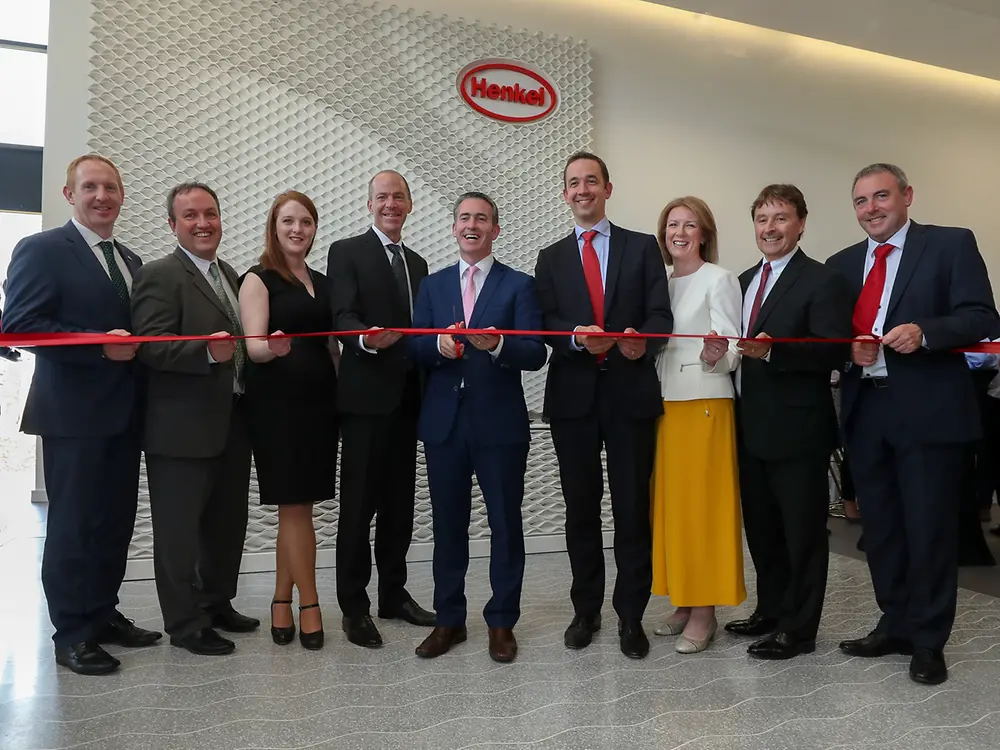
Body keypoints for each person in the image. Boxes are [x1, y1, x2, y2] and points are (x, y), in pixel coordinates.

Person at [827, 163, 999, 684]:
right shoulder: (842, 264)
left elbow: (982, 317)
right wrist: (846, 351)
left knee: (929, 528)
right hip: (866, 411)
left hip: (928, 411)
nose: (871, 209)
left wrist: (926, 331)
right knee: (881, 530)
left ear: (907, 196)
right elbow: (832, 336)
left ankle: (928, 640)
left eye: (881, 196)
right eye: (861, 201)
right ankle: (895, 623)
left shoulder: (949, 244)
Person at [2, 154, 161, 676]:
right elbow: (20, 326)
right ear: (70, 195)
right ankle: (71, 633)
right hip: (72, 416)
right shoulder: (43, 249)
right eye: (90, 187)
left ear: (122, 195)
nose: (102, 196)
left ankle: (103, 613)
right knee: (73, 527)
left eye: (110, 187)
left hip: (124, 414)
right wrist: (97, 347)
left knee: (114, 522)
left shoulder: (130, 259)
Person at [534, 151, 673, 659]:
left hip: (630, 396)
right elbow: (545, 323)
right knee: (580, 510)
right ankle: (586, 610)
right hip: (573, 400)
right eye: (574, 183)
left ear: (607, 189)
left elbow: (660, 316)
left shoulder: (642, 247)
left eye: (591, 181)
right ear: (565, 194)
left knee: (632, 509)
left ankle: (630, 615)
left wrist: (642, 343)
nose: (583, 190)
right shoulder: (550, 258)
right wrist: (575, 337)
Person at [409, 192, 547, 663]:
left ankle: (501, 622)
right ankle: (449, 619)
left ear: (495, 230)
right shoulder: (432, 285)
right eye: (465, 218)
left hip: (499, 425)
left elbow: (536, 352)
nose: (472, 225)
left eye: (482, 219)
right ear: (454, 228)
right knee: (448, 525)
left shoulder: (520, 285)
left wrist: (498, 345)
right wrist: (439, 347)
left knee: (505, 524)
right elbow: (415, 347)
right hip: (445, 425)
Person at [131, 181, 259, 657]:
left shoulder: (229, 274)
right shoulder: (159, 274)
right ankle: (185, 624)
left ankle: (216, 603)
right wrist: (204, 351)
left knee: (226, 525)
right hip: (180, 429)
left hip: (232, 420)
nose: (203, 223)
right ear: (173, 225)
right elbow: (149, 346)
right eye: (191, 216)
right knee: (179, 533)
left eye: (210, 214)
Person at [725, 184, 852, 660]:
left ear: (800, 223)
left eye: (780, 218)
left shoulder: (823, 280)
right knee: (762, 530)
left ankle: (799, 631)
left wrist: (774, 351)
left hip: (798, 430)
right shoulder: (741, 281)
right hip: (750, 427)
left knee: (802, 536)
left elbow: (833, 350)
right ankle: (771, 611)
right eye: (762, 219)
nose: (770, 228)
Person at [328, 169, 434, 648]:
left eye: (398, 197)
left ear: (409, 205)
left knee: (399, 507)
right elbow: (342, 316)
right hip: (365, 402)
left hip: (408, 401)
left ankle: (394, 593)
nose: (391, 204)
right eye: (382, 197)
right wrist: (365, 341)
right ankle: (354, 608)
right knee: (358, 509)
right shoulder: (346, 251)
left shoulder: (418, 263)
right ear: (370, 204)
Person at [239, 191, 339, 650]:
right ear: (274, 227)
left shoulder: (323, 281)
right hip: (278, 407)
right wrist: (273, 347)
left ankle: (281, 601)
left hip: (320, 405)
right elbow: (254, 346)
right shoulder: (258, 279)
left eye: (305, 222)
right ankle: (310, 605)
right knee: (295, 507)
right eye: (288, 221)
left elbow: (331, 346)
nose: (297, 229)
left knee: (299, 509)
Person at [649, 196, 745, 654]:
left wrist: (715, 355)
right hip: (665, 405)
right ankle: (685, 600)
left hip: (704, 402)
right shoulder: (660, 282)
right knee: (674, 509)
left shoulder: (719, 279)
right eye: (673, 225)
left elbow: (732, 348)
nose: (679, 233)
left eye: (689, 225)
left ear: (704, 233)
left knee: (704, 511)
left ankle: (705, 611)